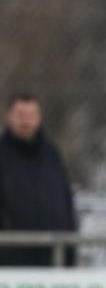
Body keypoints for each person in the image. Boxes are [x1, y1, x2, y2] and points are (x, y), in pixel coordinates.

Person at [0, 92, 78, 266]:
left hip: (53, 256)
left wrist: (70, 251)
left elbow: (66, 201)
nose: (26, 120)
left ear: (39, 117)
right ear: (9, 116)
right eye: (20, 114)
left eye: (31, 114)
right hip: (10, 260)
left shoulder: (51, 154)